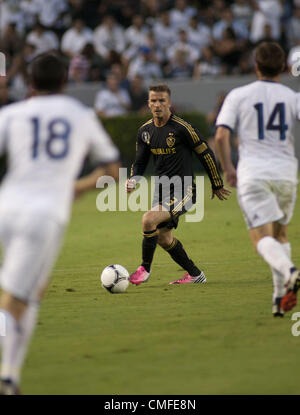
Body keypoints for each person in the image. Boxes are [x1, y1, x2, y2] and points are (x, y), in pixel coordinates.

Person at [0, 52, 120, 395]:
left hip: (6, 208)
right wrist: (78, 187)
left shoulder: (12, 113)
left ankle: (10, 375)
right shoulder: (79, 116)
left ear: (30, 83)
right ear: (66, 82)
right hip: (43, 216)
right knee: (14, 302)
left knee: (32, 293)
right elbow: (111, 170)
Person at [214, 41, 300, 318]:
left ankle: (290, 271)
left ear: (255, 65)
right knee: (281, 234)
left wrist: (228, 168)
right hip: (287, 172)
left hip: (254, 173)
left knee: (260, 239)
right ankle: (278, 299)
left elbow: (221, 135)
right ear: (284, 67)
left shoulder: (239, 95)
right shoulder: (292, 96)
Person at [126, 84, 231, 286]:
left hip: (184, 190)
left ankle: (144, 269)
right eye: (153, 101)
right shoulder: (145, 131)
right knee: (164, 238)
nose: (157, 105)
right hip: (161, 190)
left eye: (161, 101)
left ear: (169, 103)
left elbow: (205, 153)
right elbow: (139, 162)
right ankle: (195, 274)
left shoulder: (182, 128)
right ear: (148, 103)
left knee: (148, 220)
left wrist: (217, 183)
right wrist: (133, 179)